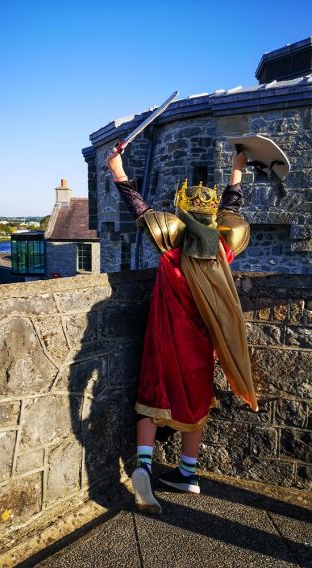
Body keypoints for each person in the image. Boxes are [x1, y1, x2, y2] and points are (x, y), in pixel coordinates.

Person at [106, 147, 258, 515]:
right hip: (201, 349)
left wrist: (118, 171)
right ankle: (188, 474)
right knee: (196, 408)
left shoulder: (170, 253)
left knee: (150, 406)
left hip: (165, 343)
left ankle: (143, 467)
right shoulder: (222, 254)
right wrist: (236, 171)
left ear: (180, 219)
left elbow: (141, 211)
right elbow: (232, 213)